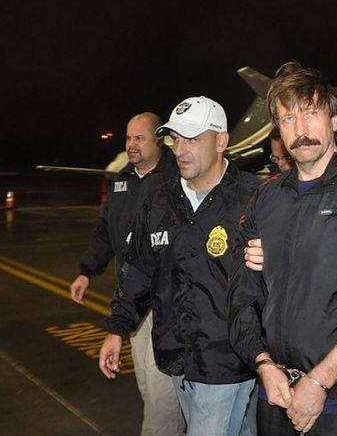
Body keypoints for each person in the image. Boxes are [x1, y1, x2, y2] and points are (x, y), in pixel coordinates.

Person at [229, 62, 337, 436]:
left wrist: (320, 380)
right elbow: (242, 295)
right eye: (288, 119)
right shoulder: (266, 196)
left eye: (311, 114)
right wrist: (262, 364)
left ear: (335, 119)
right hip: (275, 391)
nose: (300, 129)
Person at [99, 97, 260, 436]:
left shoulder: (253, 199)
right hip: (178, 357)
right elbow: (138, 270)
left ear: (221, 141)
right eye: (176, 139)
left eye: (193, 139)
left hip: (226, 362)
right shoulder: (160, 201)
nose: (180, 150)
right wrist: (117, 328)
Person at [69, 112, 181, 436]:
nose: (131, 144)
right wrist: (87, 272)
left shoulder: (177, 177)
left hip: (166, 303)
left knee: (160, 394)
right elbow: (105, 231)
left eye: (139, 138)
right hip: (132, 299)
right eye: (128, 138)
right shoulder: (123, 180)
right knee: (146, 382)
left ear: (159, 140)